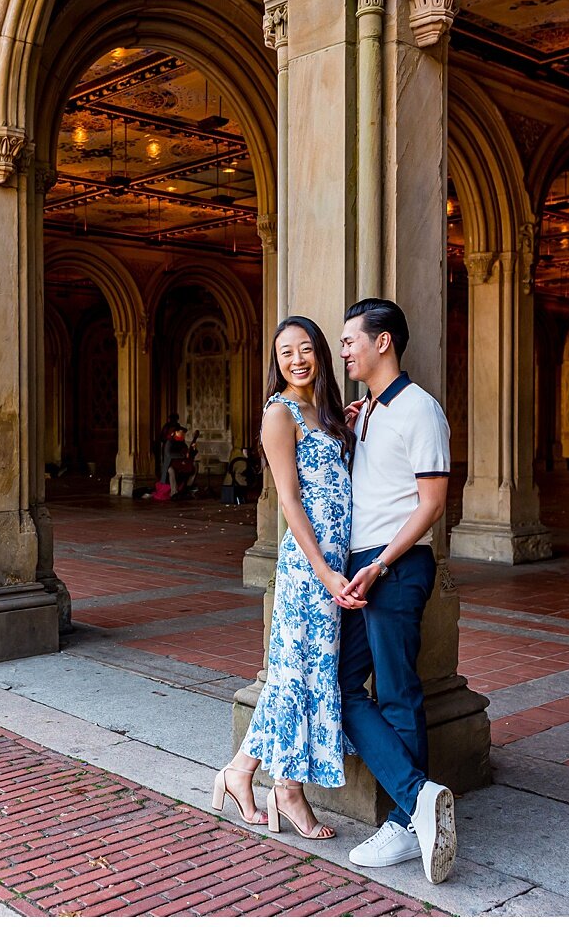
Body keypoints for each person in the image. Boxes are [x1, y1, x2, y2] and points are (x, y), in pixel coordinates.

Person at [212, 315, 355, 839]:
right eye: (284, 352)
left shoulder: (325, 411)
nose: (296, 359)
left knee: (301, 673)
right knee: (297, 674)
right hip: (308, 565)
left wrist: (348, 422)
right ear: (275, 363)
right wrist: (321, 569)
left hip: (335, 562)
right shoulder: (281, 412)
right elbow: (290, 501)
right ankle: (288, 791)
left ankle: (241, 772)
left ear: (319, 352)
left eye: (304, 349)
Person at [334, 297, 458, 884]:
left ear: (383, 342)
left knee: (398, 691)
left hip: (397, 567)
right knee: (341, 687)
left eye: (350, 339)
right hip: (364, 568)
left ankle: (409, 821)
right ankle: (420, 799)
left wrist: (381, 565)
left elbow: (432, 505)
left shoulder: (421, 411)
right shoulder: (370, 413)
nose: (343, 349)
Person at [163, 425, 199, 498]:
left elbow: (189, 454)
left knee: (194, 465)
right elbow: (168, 454)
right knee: (171, 470)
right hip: (170, 464)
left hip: (181, 463)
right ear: (176, 432)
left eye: (183, 433)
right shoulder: (169, 442)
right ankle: (174, 492)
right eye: (181, 432)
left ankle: (188, 487)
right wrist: (183, 455)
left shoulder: (182, 443)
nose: (183, 434)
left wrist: (194, 449)